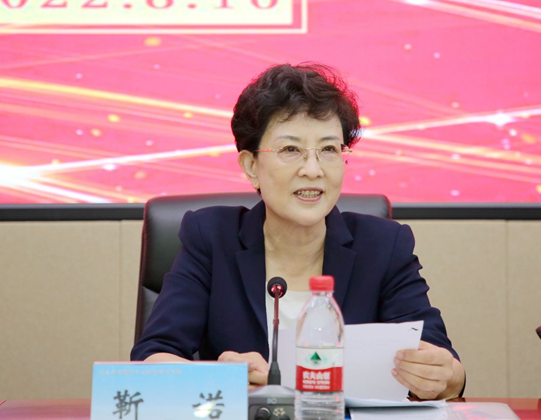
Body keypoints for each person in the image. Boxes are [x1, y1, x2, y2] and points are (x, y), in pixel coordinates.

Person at [131, 63, 466, 400]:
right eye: (291, 150)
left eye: (329, 150)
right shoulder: (211, 237)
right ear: (251, 166)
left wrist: (445, 376)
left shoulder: (383, 246)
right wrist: (225, 378)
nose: (313, 169)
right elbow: (153, 357)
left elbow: (444, 363)